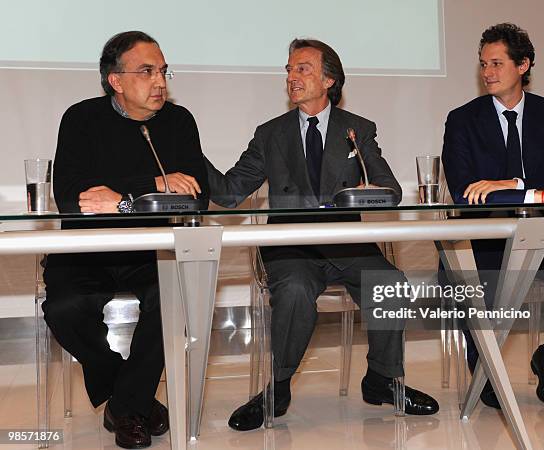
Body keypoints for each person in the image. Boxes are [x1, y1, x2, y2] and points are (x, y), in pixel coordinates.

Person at [205, 38, 439, 432]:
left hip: (348, 246)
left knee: (390, 283)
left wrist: (372, 193)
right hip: (290, 249)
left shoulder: (357, 130)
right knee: (295, 291)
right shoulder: (271, 134)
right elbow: (229, 194)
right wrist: (191, 159)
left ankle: (381, 379)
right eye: (290, 70)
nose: (292, 77)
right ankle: (277, 389)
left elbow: (390, 189)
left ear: (329, 79)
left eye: (303, 69)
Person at [42, 31, 208, 449]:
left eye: (164, 72)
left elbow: (199, 196)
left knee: (175, 300)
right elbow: (71, 196)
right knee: (64, 309)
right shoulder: (81, 118)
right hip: (86, 251)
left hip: (151, 250)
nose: (160, 82)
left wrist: (120, 198)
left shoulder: (179, 121)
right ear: (115, 80)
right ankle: (131, 397)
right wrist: (149, 187)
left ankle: (125, 405)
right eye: (147, 71)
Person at [442, 23, 544, 409]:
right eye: (484, 64)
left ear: (523, 65)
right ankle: (485, 374)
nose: (487, 72)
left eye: (497, 63)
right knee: (469, 285)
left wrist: (509, 184)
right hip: (483, 244)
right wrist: (537, 189)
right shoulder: (462, 120)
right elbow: (466, 192)